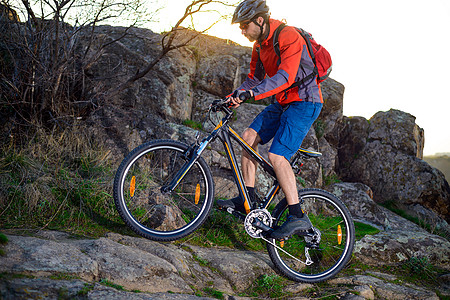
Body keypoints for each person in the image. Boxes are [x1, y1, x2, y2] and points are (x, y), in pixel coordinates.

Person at [217, 0, 323, 240]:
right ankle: (249, 199)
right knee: (247, 138)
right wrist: (232, 97)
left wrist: (252, 94)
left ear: (260, 20)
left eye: (245, 26)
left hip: (305, 102)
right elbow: (254, 79)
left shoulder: (288, 36)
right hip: (283, 102)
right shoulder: (259, 46)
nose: (242, 31)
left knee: (277, 156)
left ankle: (297, 216)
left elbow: (285, 76)